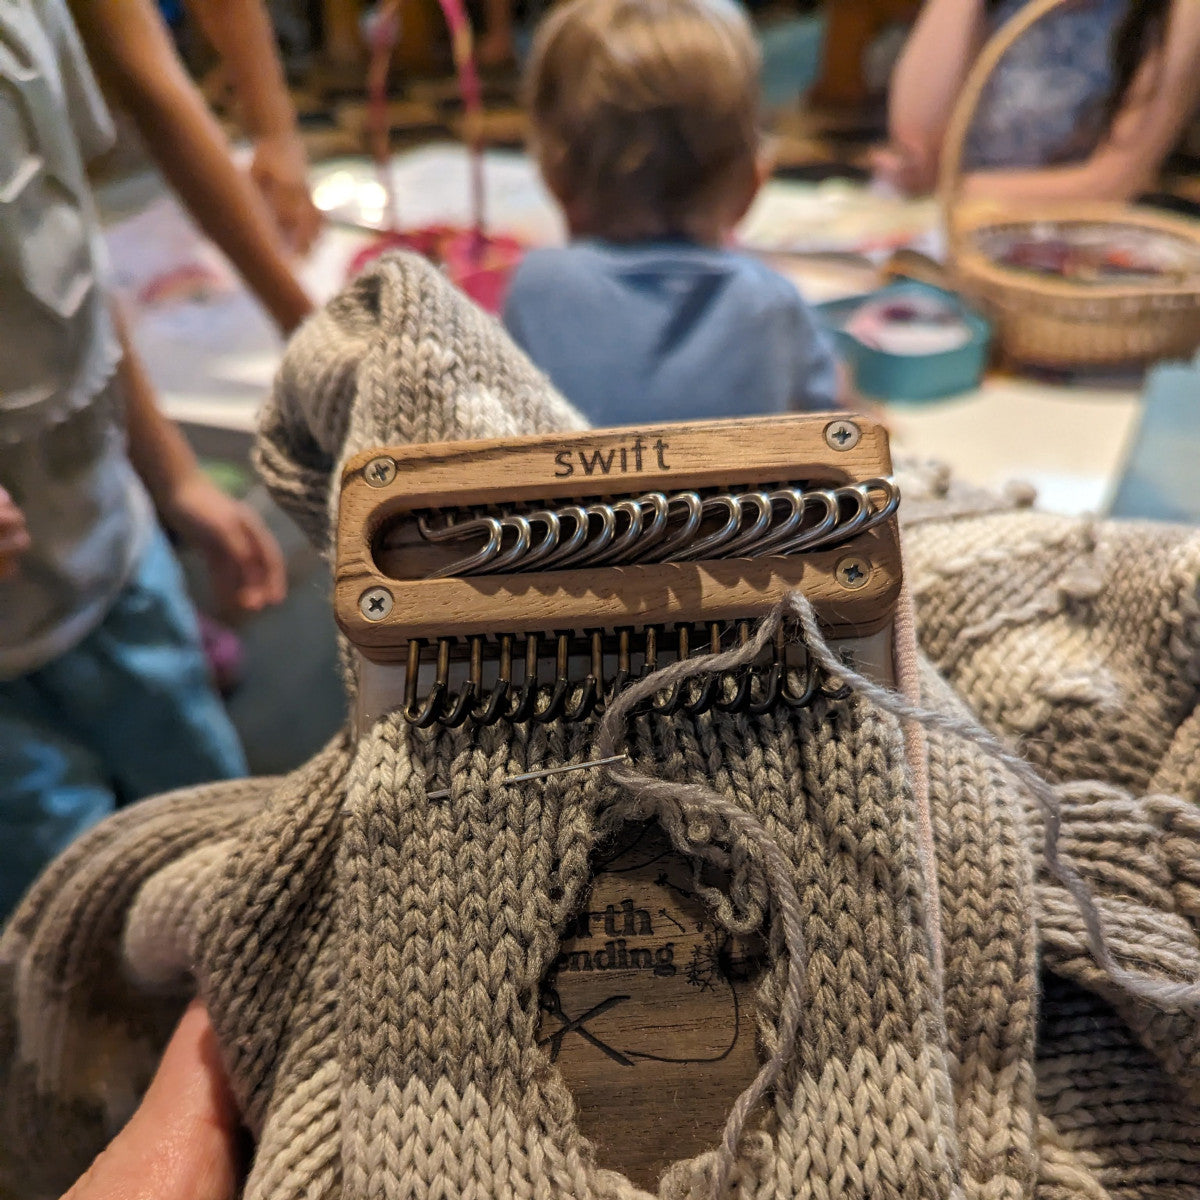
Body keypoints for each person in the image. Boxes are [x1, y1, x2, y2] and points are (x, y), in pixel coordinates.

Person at [0, 0, 296, 920]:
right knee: (79, 920)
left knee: (225, 845)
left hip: (118, 555)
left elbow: (71, 261)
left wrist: (172, 477)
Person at [501, 0, 841, 427]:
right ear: (752, 185)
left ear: (554, 178)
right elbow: (843, 433)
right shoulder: (772, 301)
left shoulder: (535, 288)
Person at [877, 0, 1200, 202]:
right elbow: (916, 138)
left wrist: (947, 191)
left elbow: (1110, 184)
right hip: (952, 224)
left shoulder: (1177, 11)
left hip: (1069, 245)